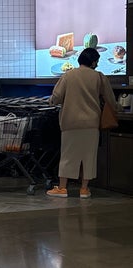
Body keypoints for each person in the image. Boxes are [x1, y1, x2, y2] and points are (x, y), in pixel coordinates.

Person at [47, 48, 121, 198]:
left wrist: (51, 101)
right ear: (93, 62)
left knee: (68, 155)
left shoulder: (68, 75)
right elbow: (110, 100)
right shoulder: (99, 77)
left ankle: (62, 188)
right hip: (91, 123)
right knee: (89, 156)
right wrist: (118, 108)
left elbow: (56, 97)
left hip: (70, 122)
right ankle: (84, 189)